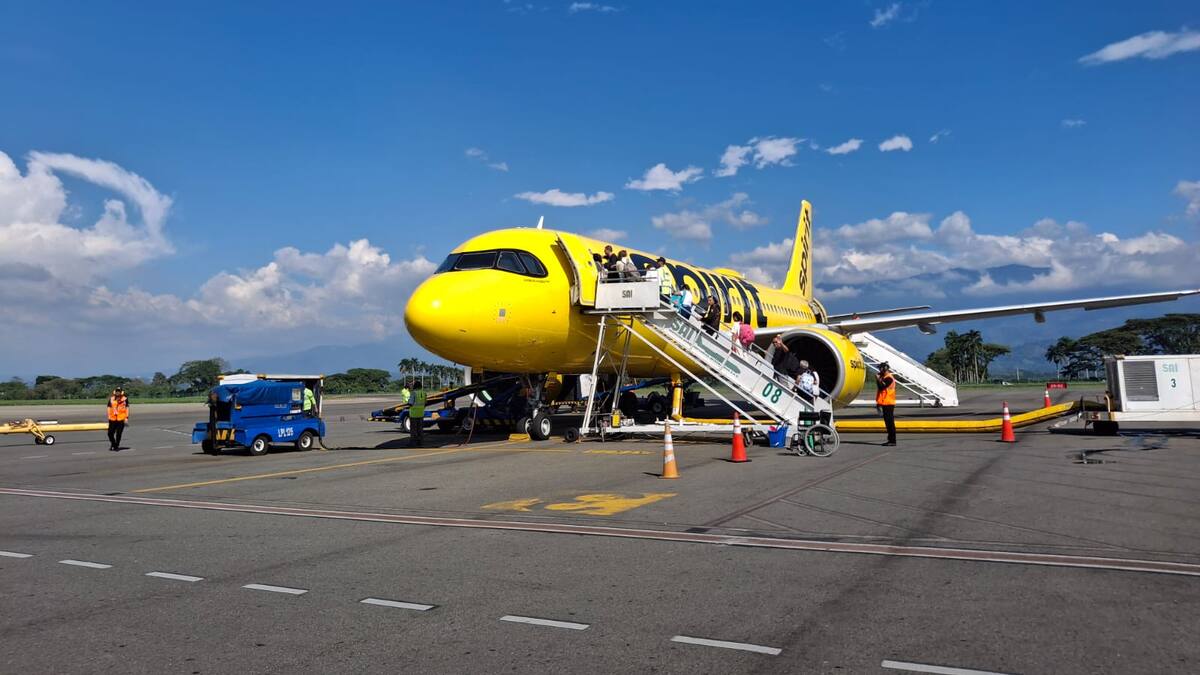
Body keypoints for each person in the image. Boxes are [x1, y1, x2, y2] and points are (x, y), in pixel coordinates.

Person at [876, 362, 897, 446]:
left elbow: (881, 387)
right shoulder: (885, 377)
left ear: (884, 369)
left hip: (888, 403)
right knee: (888, 422)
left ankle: (892, 441)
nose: (879, 371)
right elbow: (880, 388)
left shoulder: (889, 378)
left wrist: (878, 379)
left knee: (890, 423)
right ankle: (890, 440)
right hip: (885, 403)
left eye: (880, 369)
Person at [106, 387, 129, 452]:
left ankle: (116, 445)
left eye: (119, 391)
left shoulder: (125, 399)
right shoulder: (111, 399)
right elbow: (108, 407)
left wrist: (126, 418)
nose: (117, 392)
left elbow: (127, 409)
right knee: (110, 433)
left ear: (121, 392)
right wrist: (109, 416)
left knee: (119, 433)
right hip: (112, 419)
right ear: (115, 392)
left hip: (121, 419)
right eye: (117, 391)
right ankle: (113, 444)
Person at [408, 380, 427, 448]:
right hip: (421, 413)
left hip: (414, 414)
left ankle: (413, 443)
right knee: (420, 429)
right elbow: (425, 403)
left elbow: (410, 403)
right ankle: (420, 442)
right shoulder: (424, 393)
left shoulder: (413, 393)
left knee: (413, 429)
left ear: (415, 386)